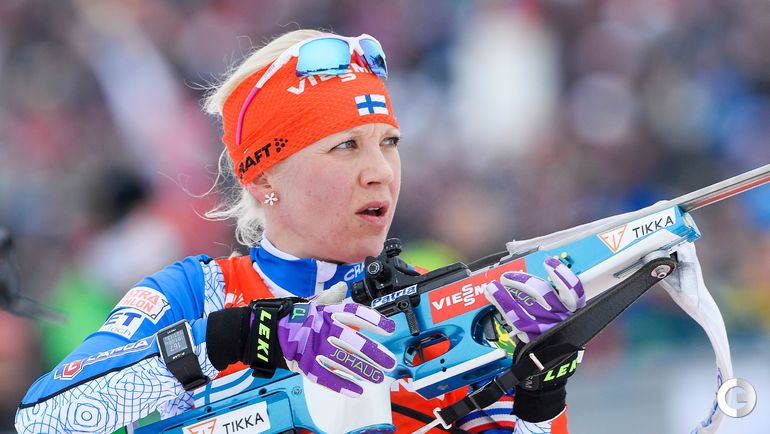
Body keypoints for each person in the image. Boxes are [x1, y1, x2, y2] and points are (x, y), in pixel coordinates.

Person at [15, 29, 585, 434]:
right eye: (346, 147)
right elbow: (45, 419)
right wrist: (239, 336)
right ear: (264, 178)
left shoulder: (436, 311)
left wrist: (540, 387)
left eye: (389, 142)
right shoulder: (198, 294)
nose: (380, 172)